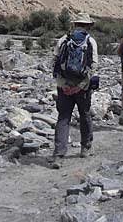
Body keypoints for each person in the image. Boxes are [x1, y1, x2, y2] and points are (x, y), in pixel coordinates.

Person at [50, 12, 98, 167]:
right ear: (88, 26)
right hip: (82, 88)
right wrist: (80, 86)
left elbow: (55, 63)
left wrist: (63, 84)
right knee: (84, 115)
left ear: (75, 24)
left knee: (63, 118)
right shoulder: (90, 41)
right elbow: (93, 66)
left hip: (64, 86)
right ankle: (85, 148)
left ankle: (58, 155)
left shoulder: (63, 40)